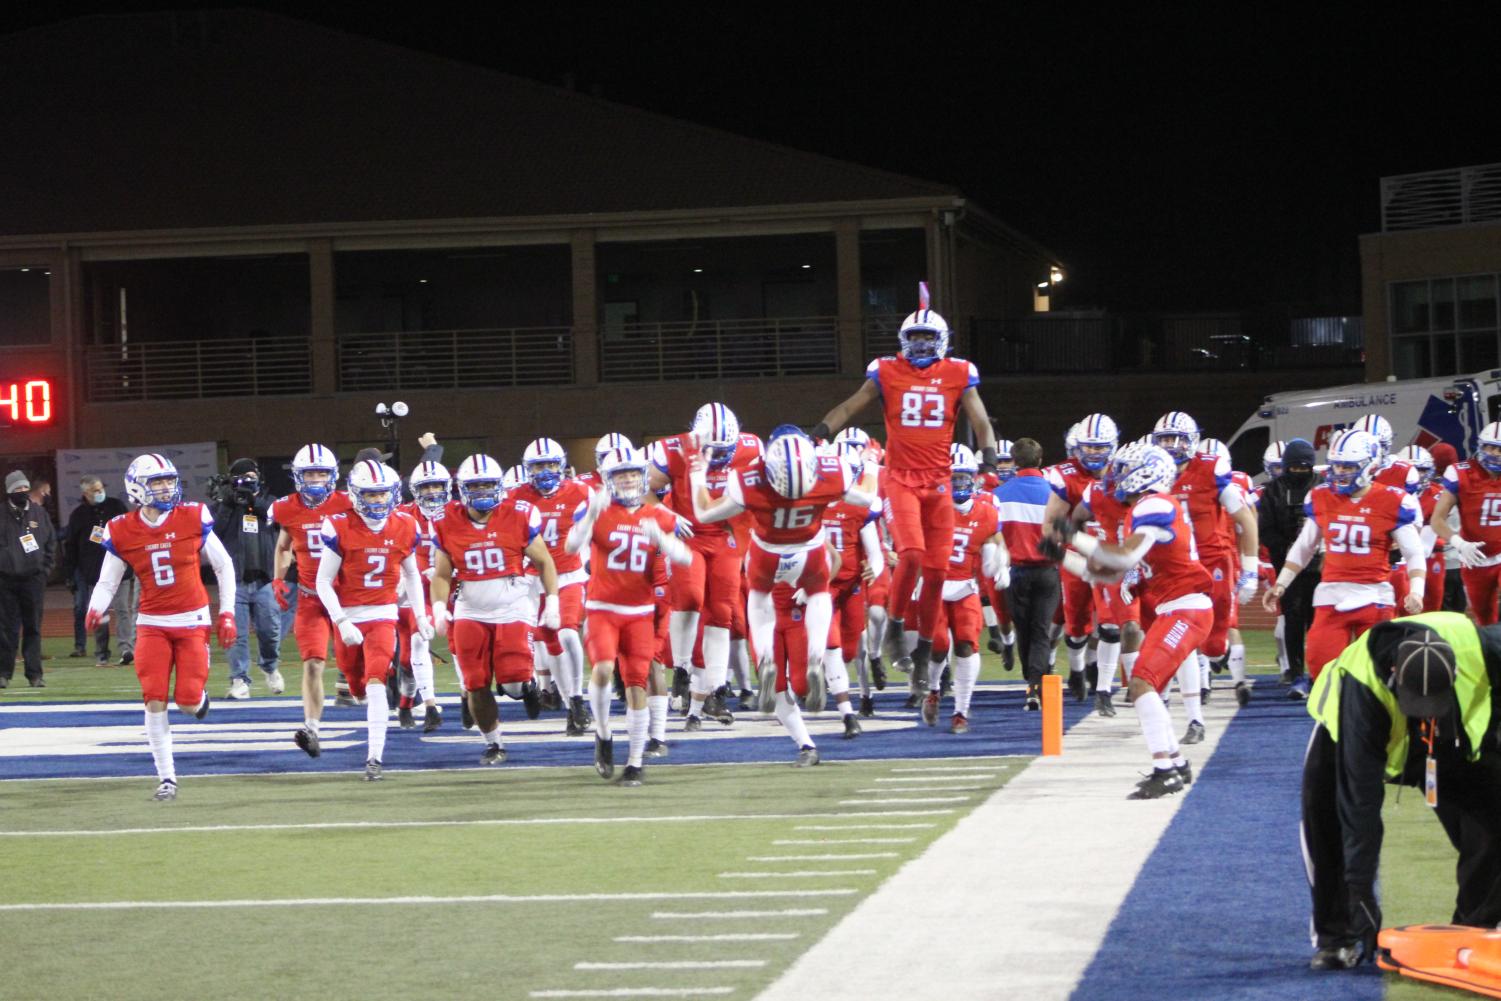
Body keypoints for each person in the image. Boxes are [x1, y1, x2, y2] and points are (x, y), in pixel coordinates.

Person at [809, 283, 998, 693]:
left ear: (943, 341)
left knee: (936, 570)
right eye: (915, 338)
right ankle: (895, 626)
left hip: (939, 482)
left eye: (928, 338)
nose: (921, 345)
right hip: (901, 479)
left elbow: (981, 420)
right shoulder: (887, 371)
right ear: (902, 341)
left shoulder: (958, 373)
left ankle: (926, 648)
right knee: (910, 554)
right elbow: (849, 405)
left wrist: (988, 457)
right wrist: (820, 432)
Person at [1300, 611, 1501, 970]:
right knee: (1327, 823)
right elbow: (1359, 805)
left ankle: (1475, 926)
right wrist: (1361, 891)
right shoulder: (1361, 691)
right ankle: (1337, 937)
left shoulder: (1486, 649)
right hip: (1343, 735)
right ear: (1394, 674)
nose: (1422, 711)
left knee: (1494, 819)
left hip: (1445, 741)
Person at [690, 427, 879, 747]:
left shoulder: (750, 479)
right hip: (809, 551)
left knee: (758, 599)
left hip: (767, 554)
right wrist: (871, 462)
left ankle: (766, 660)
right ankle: (816, 656)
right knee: (820, 595)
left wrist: (697, 475)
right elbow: (867, 495)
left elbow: (704, 512)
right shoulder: (830, 472)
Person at [1053, 443, 1212, 799]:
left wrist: (1073, 536)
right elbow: (1109, 575)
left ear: (1146, 472)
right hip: (1178, 607)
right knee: (1144, 683)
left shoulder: (1153, 503)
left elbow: (1123, 558)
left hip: (1185, 607)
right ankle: (1175, 762)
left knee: (1141, 683)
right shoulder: (1147, 508)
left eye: (1124, 469)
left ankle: (1164, 770)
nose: (1115, 475)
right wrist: (1063, 556)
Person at [84, 454, 237, 799]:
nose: (167, 487)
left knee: (186, 701)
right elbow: (109, 582)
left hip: (192, 620)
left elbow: (224, 566)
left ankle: (198, 700)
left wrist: (227, 612)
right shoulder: (122, 528)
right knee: (153, 697)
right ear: (138, 487)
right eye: (158, 482)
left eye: (170, 480)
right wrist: (95, 608)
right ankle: (167, 779)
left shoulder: (192, 516)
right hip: (151, 623)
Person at [567, 446, 692, 785]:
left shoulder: (658, 514)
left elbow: (686, 558)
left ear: (642, 476)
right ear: (609, 480)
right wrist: (591, 515)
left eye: (632, 474)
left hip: (640, 612)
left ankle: (635, 762)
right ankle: (604, 733)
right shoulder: (598, 509)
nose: (627, 480)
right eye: (620, 475)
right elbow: (570, 547)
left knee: (637, 681)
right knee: (605, 670)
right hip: (603, 609)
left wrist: (663, 541)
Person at [1264, 430, 1425, 691]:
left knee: (1380, 678)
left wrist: (1417, 591)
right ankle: (1331, 726)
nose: (1339, 471)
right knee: (1320, 669)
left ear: (1370, 465)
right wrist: (1281, 584)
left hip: (1374, 596)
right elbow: (1304, 547)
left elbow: (1414, 552)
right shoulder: (1321, 496)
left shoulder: (1394, 500)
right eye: (1336, 464)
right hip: (1331, 596)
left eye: (1348, 466)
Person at [430, 454, 559, 767]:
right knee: (474, 682)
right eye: (477, 485)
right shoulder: (446, 519)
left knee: (513, 682)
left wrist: (552, 600)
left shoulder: (518, 514)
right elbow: (442, 573)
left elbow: (544, 561)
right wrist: (437, 607)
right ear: (463, 489)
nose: (484, 490)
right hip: (470, 609)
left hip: (512, 606)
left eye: (489, 483)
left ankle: (524, 686)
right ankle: (494, 744)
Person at [315, 460, 431, 781]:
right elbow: (322, 582)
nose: (378, 501)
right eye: (371, 494)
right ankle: (373, 693)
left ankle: (374, 758)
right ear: (355, 494)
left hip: (383, 615)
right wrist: (341, 621)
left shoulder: (406, 525)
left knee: (376, 682)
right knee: (357, 688)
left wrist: (420, 615)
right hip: (349, 616)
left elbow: (411, 574)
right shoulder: (339, 525)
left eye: (383, 494)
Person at [648, 402, 761, 726]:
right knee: (690, 598)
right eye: (714, 449)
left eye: (726, 449)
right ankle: (682, 668)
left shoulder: (751, 447)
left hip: (725, 535)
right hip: (689, 533)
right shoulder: (675, 449)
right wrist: (667, 515)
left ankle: (715, 690)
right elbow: (645, 489)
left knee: (722, 612)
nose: (721, 456)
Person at [271, 445, 356, 755]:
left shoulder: (349, 503)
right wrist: (279, 578)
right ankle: (312, 728)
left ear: (332, 475)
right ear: (298, 476)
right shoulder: (287, 508)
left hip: (347, 598)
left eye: (321, 472)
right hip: (310, 598)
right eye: (310, 473)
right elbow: (283, 546)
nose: (316, 479)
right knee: (313, 665)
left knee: (357, 670)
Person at [922, 444, 1007, 732]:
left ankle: (961, 711)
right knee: (938, 646)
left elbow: (995, 541)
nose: (957, 483)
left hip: (964, 587)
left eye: (962, 477)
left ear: (974, 478)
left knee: (966, 645)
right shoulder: (930, 508)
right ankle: (933, 689)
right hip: (934, 587)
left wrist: (1001, 564)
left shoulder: (986, 512)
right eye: (952, 477)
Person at [512, 437, 594, 733]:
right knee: (546, 641)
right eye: (538, 465)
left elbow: (593, 530)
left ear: (561, 465)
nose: (545, 471)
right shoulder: (515, 497)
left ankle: (577, 698)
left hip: (568, 576)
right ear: (527, 469)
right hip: (530, 580)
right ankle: (565, 698)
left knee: (569, 633)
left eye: (549, 464)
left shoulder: (581, 492)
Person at [1041, 414, 1116, 701]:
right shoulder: (1065, 475)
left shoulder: (1121, 471)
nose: (1093, 453)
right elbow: (1050, 526)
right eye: (1088, 447)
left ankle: (1100, 675)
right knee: (1077, 621)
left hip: (1112, 554)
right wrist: (1058, 548)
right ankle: (1076, 670)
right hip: (1077, 554)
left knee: (1111, 622)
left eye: (1100, 447)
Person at [994, 439, 1058, 710]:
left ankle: (1030, 683)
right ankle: (1036, 684)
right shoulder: (1054, 492)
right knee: (1041, 631)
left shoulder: (999, 494)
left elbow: (993, 536)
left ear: (1014, 461)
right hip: (1046, 571)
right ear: (1040, 460)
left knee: (1024, 630)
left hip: (1015, 572)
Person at [211, 458, 283, 700]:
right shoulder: (225, 503)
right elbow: (214, 535)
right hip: (236, 579)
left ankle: (270, 666)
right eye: (243, 477)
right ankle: (239, 679)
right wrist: (227, 505)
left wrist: (255, 501)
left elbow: (277, 519)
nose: (247, 481)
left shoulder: (271, 502)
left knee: (270, 631)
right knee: (236, 634)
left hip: (264, 577)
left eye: (252, 476)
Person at [1258, 438, 1320, 693]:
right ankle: (1295, 673)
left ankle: (1319, 673)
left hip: (1320, 567)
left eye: (1303, 468)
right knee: (1292, 620)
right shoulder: (1273, 490)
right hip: (1287, 565)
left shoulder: (1322, 487)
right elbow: (1266, 530)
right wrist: (1288, 548)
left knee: (1319, 623)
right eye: (1294, 468)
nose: (1298, 473)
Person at [1430, 421, 1501, 625]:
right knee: (1484, 618)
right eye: (1490, 446)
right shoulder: (1462, 473)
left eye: (1500, 448)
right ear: (1480, 446)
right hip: (1474, 558)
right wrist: (1460, 544)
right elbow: (1437, 519)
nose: (1495, 453)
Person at [62, 475, 129, 665]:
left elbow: (130, 533)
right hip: (94, 573)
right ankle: (102, 653)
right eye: (94, 490)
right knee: (100, 613)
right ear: (85, 493)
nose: (99, 492)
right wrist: (70, 574)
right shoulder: (78, 515)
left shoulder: (116, 506)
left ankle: (126, 649)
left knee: (123, 609)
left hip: (121, 568)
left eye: (100, 488)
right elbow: (71, 546)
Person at [0, 470, 56, 689]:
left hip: (33, 580)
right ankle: (4, 673)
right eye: (17, 489)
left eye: (24, 488)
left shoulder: (38, 513)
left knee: (33, 628)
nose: (22, 492)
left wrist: (44, 570)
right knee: (7, 629)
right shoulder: (1, 514)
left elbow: (51, 542)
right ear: (9, 492)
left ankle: (35, 675)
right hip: (5, 581)